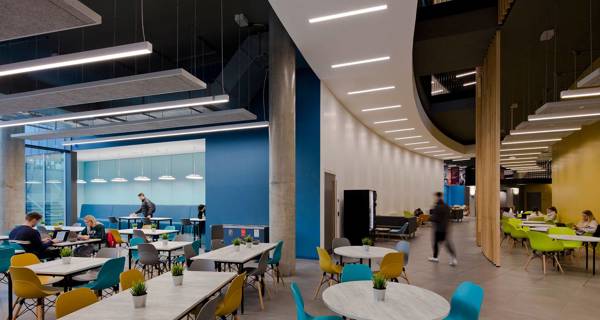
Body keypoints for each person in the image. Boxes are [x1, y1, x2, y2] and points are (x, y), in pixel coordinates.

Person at [428, 192, 457, 266]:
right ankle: (436, 257)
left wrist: (430, 218)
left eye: (435, 197)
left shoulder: (437, 207)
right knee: (438, 243)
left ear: (438, 197)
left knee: (442, 243)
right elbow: (449, 216)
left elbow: (435, 217)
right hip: (445, 228)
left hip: (439, 229)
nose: (435, 198)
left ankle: (453, 258)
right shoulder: (446, 206)